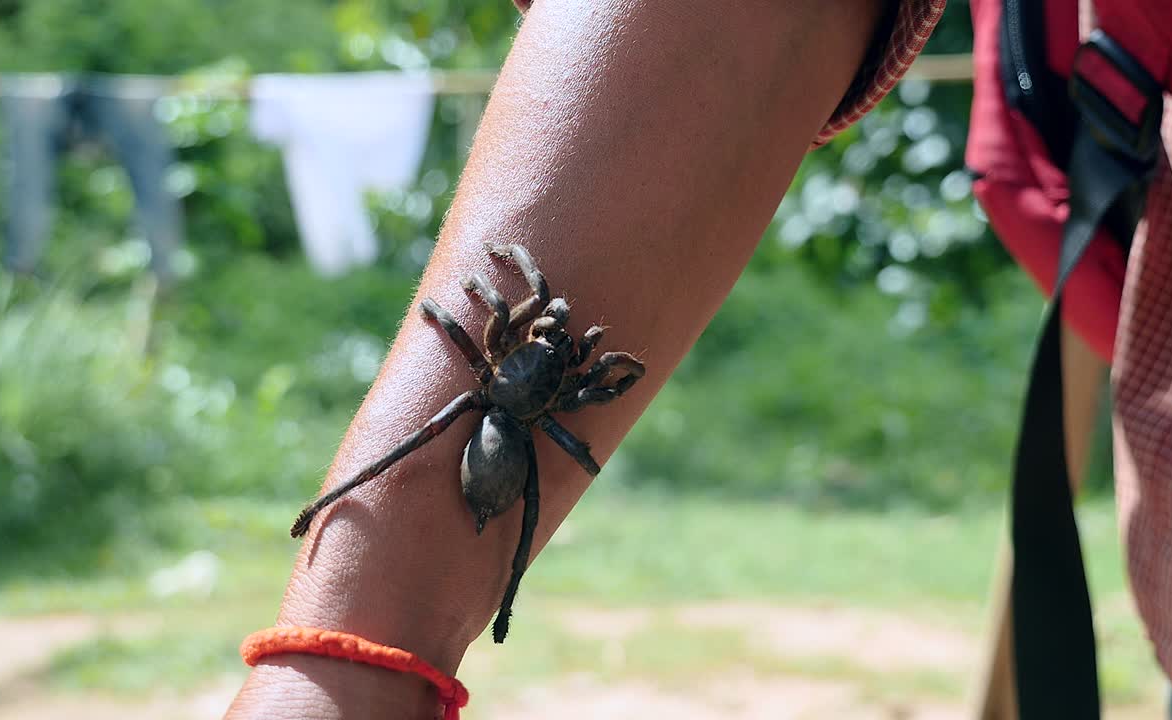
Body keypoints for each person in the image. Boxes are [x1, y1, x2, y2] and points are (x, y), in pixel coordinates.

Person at [220, 0, 957, 716]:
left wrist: (479, 304)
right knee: (511, 483)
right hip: (510, 429)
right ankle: (459, 600)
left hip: (500, 421)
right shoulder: (546, 392)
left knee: (449, 445)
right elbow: (577, 387)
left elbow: (499, 330)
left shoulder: (501, 360)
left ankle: (433, 610)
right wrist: (505, 313)